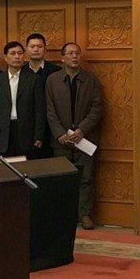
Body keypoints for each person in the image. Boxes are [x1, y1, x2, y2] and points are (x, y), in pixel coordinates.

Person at [46, 42, 102, 230]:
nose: (74, 56)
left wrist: (82, 130)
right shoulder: (52, 80)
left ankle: (84, 214)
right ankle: (64, 215)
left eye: (77, 53)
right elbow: (50, 111)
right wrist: (59, 133)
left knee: (86, 178)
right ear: (62, 58)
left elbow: (96, 109)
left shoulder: (90, 80)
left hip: (84, 139)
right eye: (70, 53)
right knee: (63, 178)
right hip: (61, 140)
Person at [0, 41, 45, 158]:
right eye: (13, 53)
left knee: (27, 166)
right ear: (5, 58)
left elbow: (40, 110)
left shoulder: (34, 79)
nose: (17, 56)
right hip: (4, 134)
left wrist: (39, 135)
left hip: (27, 133)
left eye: (20, 53)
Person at [25, 33, 61, 158]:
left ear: (45, 49)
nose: (36, 49)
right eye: (32, 46)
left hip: (51, 127)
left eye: (39, 46)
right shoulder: (20, 71)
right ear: (26, 49)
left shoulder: (56, 71)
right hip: (27, 127)